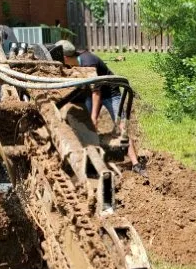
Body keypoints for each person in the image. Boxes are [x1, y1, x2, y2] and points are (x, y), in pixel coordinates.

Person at [56, 40, 146, 175]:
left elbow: (96, 93)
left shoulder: (88, 62)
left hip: (110, 93)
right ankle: (92, 162)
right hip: (91, 93)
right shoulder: (72, 61)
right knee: (85, 126)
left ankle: (135, 163)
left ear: (65, 57)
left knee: (122, 127)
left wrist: (94, 117)